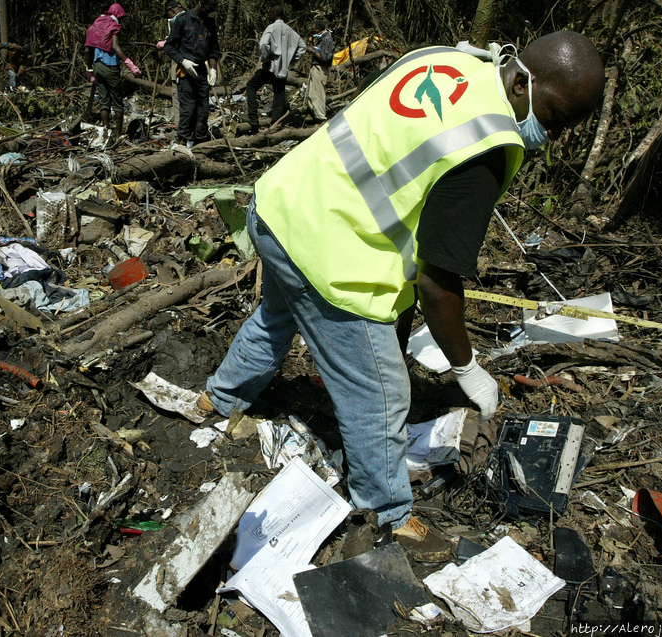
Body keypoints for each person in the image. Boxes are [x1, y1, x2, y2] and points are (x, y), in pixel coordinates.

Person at [195, 31, 605, 539]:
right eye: (554, 118)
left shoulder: (448, 61)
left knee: (277, 316)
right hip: (329, 252)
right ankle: (385, 514)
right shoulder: (488, 143)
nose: (554, 135)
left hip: (282, 204)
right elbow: (436, 281)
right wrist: (466, 367)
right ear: (522, 82)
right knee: (383, 396)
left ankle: (221, 397)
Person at [163, 0, 221, 147]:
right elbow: (169, 46)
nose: (211, 12)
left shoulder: (210, 24)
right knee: (188, 110)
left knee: (202, 111)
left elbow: (214, 51)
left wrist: (213, 69)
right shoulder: (183, 20)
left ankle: (199, 143)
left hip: (202, 73)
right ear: (201, 4)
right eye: (209, 8)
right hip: (186, 73)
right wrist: (183, 61)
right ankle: (184, 143)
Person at [85, 3, 142, 143]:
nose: (121, 21)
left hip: (97, 66)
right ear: (117, 16)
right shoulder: (113, 26)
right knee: (117, 102)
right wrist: (131, 65)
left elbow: (87, 49)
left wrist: (89, 69)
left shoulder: (97, 24)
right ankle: (117, 135)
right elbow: (115, 47)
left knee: (104, 101)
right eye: (121, 18)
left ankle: (105, 132)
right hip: (110, 67)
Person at [244, 6, 306, 133]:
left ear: (273, 13)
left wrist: (266, 57)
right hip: (282, 67)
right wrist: (292, 59)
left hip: (270, 65)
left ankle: (253, 119)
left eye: (270, 12)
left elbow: (263, 44)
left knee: (251, 86)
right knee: (279, 93)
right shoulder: (290, 31)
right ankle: (275, 123)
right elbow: (302, 46)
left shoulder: (272, 28)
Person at [157, 0, 186, 128]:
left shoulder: (180, 21)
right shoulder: (193, 19)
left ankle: (180, 126)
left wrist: (166, 44)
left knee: (178, 96)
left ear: (172, 11)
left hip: (181, 64)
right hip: (190, 64)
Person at [304, 19, 334, 121]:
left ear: (319, 29)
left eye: (314, 31)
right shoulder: (322, 39)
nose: (313, 32)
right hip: (316, 68)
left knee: (318, 94)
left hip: (320, 68)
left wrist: (312, 50)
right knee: (312, 93)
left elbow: (325, 57)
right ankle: (314, 115)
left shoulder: (327, 39)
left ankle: (320, 117)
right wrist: (310, 41)